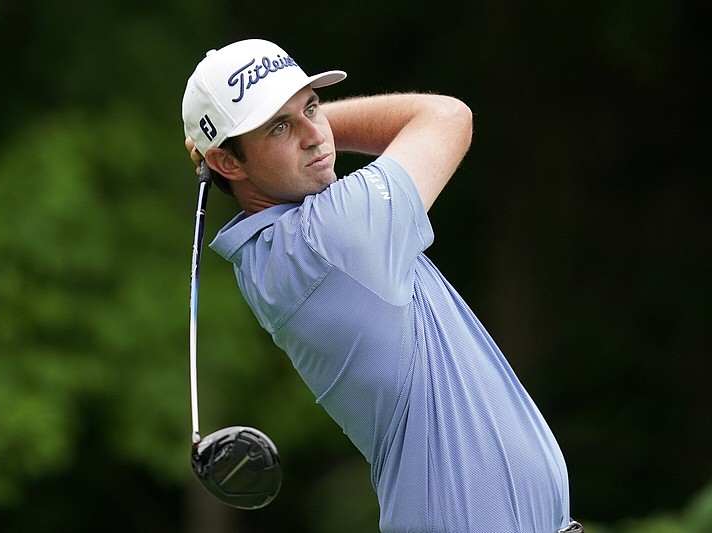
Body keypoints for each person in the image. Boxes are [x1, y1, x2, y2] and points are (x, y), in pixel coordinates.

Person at [181, 39, 583, 533]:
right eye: (280, 127)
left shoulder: (283, 247)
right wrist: (320, 123)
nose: (315, 134)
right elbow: (446, 115)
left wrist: (285, 125)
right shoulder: (331, 237)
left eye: (313, 107)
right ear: (227, 164)